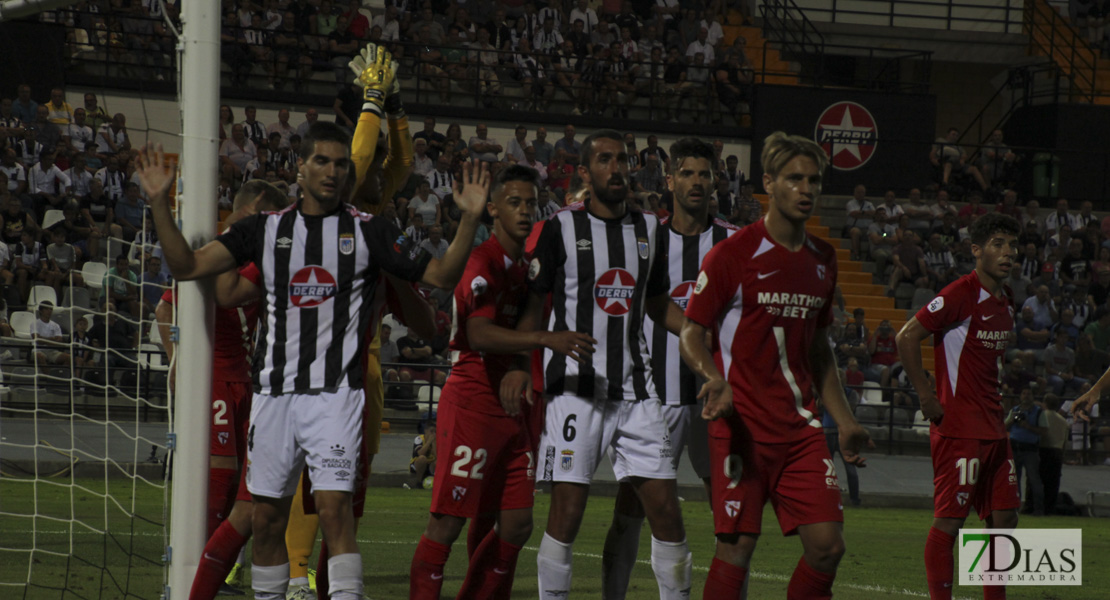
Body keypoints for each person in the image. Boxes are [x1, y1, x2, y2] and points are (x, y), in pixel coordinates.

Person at [135, 66, 489, 600]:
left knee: (334, 513)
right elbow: (186, 266)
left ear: (349, 173)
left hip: (335, 397)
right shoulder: (266, 229)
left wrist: (466, 221)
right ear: (300, 169)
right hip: (273, 397)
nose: (332, 171)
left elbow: (439, 277)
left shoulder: (370, 232)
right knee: (266, 520)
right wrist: (160, 202)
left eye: (341, 164)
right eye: (321, 161)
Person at [679, 131, 870, 599]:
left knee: (827, 547)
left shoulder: (824, 260)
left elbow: (818, 349)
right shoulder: (734, 253)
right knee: (737, 547)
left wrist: (843, 421)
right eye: (793, 179)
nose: (806, 189)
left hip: (800, 429)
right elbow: (691, 332)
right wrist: (713, 379)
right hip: (740, 426)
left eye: (814, 180)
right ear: (768, 182)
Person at [502, 129, 692, 599]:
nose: (617, 168)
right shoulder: (560, 228)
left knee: (667, 512)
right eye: (605, 160)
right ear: (585, 172)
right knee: (566, 516)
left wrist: (698, 339)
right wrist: (523, 363)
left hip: (637, 393)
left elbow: (656, 300)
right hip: (574, 393)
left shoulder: (651, 229)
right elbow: (534, 302)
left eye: (622, 159)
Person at [408, 165, 596, 599]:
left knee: (515, 522)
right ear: (492, 209)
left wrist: (522, 359)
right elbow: (478, 334)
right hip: (474, 401)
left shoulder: (527, 265)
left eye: (531, 203)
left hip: (515, 406)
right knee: (448, 521)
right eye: (514, 203)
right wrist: (542, 340)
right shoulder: (482, 261)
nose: (526, 211)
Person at [600, 138, 739, 600]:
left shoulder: (733, 242)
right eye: (688, 173)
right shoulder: (645, 237)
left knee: (731, 514)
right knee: (631, 510)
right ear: (670, 180)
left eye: (705, 174)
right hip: (654, 400)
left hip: (713, 400)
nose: (697, 182)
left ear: (716, 180)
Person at [168, 180, 289, 600]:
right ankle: (196, 566)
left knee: (245, 490)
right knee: (225, 485)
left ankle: (212, 572)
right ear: (256, 209)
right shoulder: (215, 248)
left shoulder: (259, 255)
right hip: (214, 378)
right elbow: (167, 303)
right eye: (271, 217)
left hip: (248, 382)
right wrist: (176, 358)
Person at [895, 211, 1022, 599]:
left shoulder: (1006, 301)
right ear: (976, 250)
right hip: (959, 428)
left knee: (1005, 519)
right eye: (998, 244)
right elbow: (906, 337)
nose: (1007, 253)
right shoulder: (959, 294)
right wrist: (926, 394)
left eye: (1012, 245)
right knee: (950, 523)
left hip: (994, 429)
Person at [1004, 388, 1048, 516]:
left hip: (1030, 449)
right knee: (1014, 480)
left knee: (1034, 480)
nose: (1026, 396)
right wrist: (1012, 420)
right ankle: (1014, 508)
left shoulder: (1039, 412)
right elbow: (1004, 426)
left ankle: (1038, 509)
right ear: (1020, 396)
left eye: (1029, 393)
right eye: (1024, 393)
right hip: (1014, 447)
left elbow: (1044, 431)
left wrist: (1028, 426)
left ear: (1033, 396)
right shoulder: (1015, 410)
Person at [32, 301, 71, 366]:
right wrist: (52, 339)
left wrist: (44, 340)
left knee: (69, 358)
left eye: (50, 309)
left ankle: (60, 375)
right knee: (40, 356)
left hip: (52, 351)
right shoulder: (34, 324)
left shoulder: (56, 325)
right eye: (46, 309)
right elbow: (37, 340)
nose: (49, 311)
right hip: (37, 350)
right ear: (41, 311)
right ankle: (47, 376)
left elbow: (59, 341)